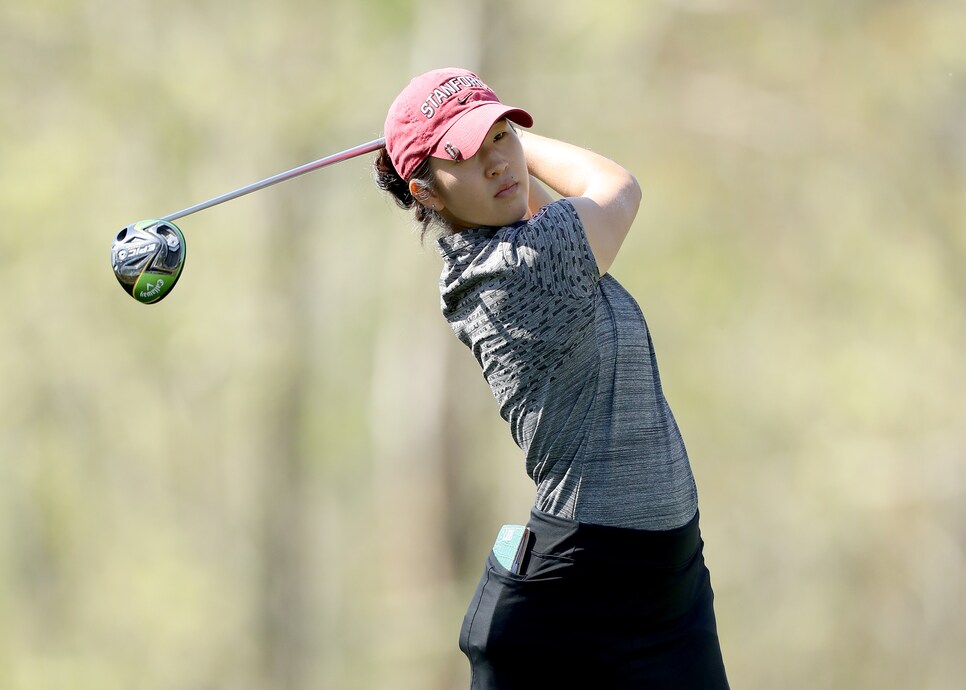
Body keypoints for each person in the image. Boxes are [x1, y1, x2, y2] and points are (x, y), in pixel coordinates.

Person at [373, 67, 729, 689]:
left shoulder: (518, 237)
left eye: (502, 140)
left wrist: (483, 138)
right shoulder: (520, 271)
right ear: (427, 193)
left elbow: (526, 200)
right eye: (469, 156)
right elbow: (615, 184)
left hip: (668, 585)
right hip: (575, 601)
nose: (497, 165)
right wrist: (510, 140)